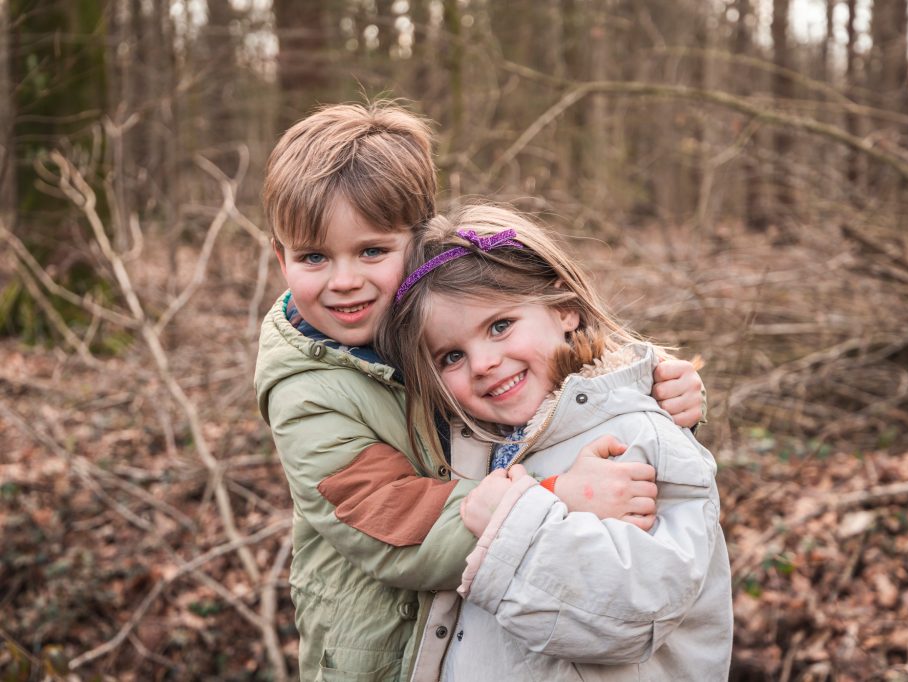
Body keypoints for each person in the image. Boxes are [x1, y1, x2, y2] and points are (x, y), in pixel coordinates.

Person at [253, 102, 710, 681]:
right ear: (281, 257)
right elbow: (388, 520)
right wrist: (551, 496)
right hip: (379, 657)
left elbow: (560, 371)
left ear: (419, 243)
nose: (344, 281)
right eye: (313, 257)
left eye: (372, 251)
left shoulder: (445, 331)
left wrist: (659, 389)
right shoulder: (306, 392)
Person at [379, 204, 732, 681]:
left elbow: (634, 615)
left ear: (564, 308)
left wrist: (511, 523)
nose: (482, 364)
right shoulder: (475, 446)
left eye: (500, 326)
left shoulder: (634, 437)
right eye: (452, 356)